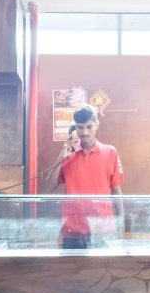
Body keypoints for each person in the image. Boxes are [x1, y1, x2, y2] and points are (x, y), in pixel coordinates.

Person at [49, 104, 124, 248]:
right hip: (72, 230)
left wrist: (121, 225)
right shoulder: (67, 155)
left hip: (102, 229)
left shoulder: (110, 152)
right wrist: (60, 158)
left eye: (89, 127)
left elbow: (117, 192)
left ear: (97, 125)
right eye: (80, 127)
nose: (84, 132)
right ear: (74, 128)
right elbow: (49, 187)